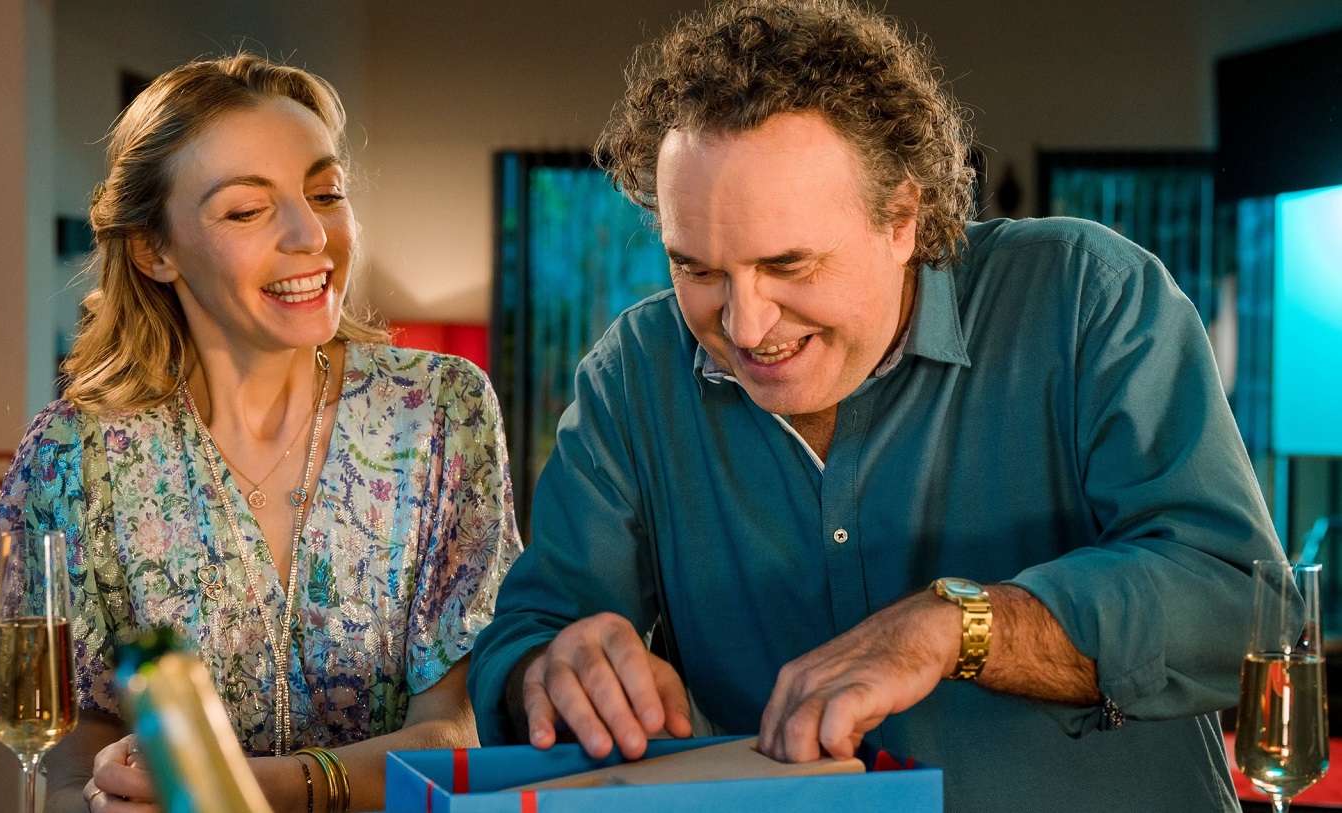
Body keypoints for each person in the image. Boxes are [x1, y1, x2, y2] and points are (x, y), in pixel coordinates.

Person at [466, 2, 1282, 810]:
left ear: (901, 217)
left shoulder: (1087, 298)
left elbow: (1242, 606)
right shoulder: (632, 375)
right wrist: (552, 668)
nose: (745, 324)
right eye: (698, 269)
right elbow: (527, 636)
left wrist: (962, 624)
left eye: (789, 264)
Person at [0, 53, 521, 812]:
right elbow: (65, 766)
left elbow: (453, 732)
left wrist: (240, 789)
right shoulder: (74, 455)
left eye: (326, 192)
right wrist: (107, 788)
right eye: (248, 210)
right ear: (155, 249)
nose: (310, 233)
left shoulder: (441, 411)